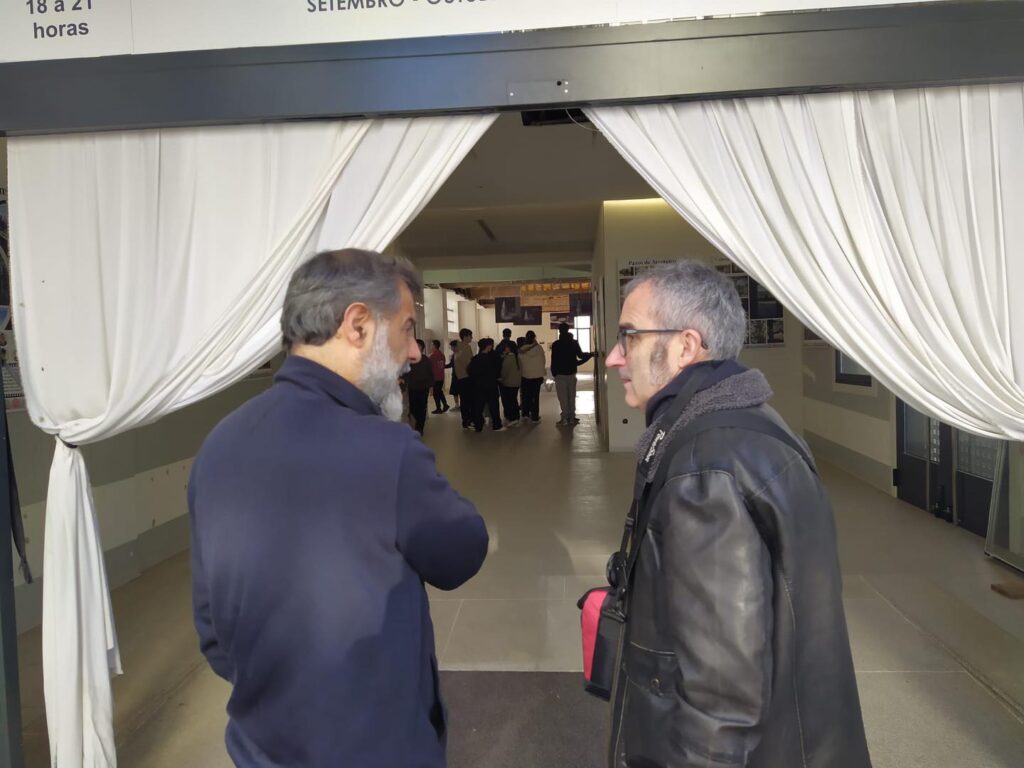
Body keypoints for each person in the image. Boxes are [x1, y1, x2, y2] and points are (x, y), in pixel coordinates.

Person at [188, 249, 488, 768]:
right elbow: (461, 553)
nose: (415, 352)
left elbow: (212, 627)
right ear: (357, 325)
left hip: (260, 746)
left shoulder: (219, 443)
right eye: (407, 329)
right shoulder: (387, 451)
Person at [603, 261, 869, 768]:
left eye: (629, 337)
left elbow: (721, 703)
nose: (615, 356)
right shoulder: (751, 424)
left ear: (685, 345)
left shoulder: (706, 468)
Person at [549, 323, 593, 426]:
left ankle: (564, 419)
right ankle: (572, 418)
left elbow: (553, 360)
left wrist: (554, 373)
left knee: (563, 398)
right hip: (572, 374)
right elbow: (581, 356)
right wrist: (590, 355)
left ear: (559, 331)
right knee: (571, 396)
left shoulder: (556, 344)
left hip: (560, 375)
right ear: (568, 330)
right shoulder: (574, 343)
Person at [467, 337, 502, 432]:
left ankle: (478, 426)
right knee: (494, 406)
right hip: (490, 386)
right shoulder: (490, 359)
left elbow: (469, 371)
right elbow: (495, 372)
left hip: (478, 387)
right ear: (487, 346)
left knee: (478, 407)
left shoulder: (475, 358)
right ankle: (497, 425)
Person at [403, 338, 434, 435]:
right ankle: (416, 423)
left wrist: (431, 387)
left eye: (418, 346)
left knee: (422, 408)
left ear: (422, 348)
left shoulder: (426, 360)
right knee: (413, 408)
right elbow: (405, 373)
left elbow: (431, 374)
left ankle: (420, 427)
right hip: (412, 387)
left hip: (423, 388)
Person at [518, 330, 546, 423]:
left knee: (526, 395)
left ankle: (525, 414)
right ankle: (534, 417)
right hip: (537, 376)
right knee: (535, 396)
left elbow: (520, 363)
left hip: (525, 376)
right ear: (534, 338)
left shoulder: (522, 349)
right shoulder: (539, 348)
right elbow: (543, 360)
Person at [498, 340, 522, 426]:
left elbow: (504, 371)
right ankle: (516, 417)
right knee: (514, 400)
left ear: (510, 348)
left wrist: (501, 378)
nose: (505, 348)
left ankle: (513, 418)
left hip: (508, 382)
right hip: (516, 382)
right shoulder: (517, 357)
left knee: (510, 401)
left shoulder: (508, 358)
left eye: (507, 347)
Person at [455, 328, 475, 429]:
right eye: (470, 336)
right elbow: (469, 364)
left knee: (464, 400)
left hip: (461, 377)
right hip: (466, 377)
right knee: (468, 400)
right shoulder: (465, 347)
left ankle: (466, 421)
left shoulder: (458, 347)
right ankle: (468, 421)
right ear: (465, 336)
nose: (471, 338)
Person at [429, 339, 450, 415]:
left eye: (431, 345)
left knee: (436, 393)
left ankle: (439, 408)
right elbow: (443, 365)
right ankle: (445, 405)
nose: (431, 346)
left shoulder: (432, 356)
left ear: (434, 345)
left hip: (435, 377)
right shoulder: (442, 355)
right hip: (441, 377)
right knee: (439, 391)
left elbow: (429, 368)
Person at [446, 339, 460, 410]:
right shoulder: (453, 355)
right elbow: (451, 365)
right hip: (454, 376)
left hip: (461, 376)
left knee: (461, 392)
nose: (452, 348)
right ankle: (457, 405)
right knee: (455, 392)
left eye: (453, 347)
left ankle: (462, 405)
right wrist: (443, 366)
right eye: (451, 347)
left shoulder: (461, 354)